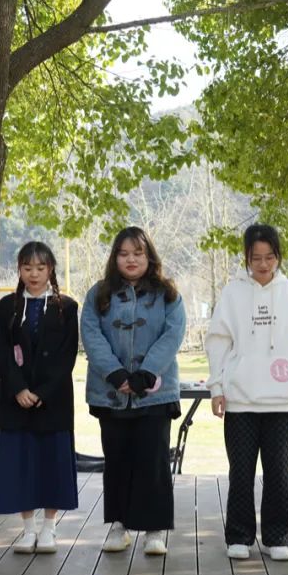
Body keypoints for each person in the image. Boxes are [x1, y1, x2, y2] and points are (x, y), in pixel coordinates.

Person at [205, 224, 288, 562]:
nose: (264, 264)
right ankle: (239, 536)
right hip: (240, 399)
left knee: (278, 471)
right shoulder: (232, 293)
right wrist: (216, 387)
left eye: (270, 257)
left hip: (281, 399)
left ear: (278, 257)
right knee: (241, 471)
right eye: (256, 258)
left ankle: (276, 536)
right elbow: (218, 341)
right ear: (246, 258)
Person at [81, 226, 185, 556]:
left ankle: (154, 531)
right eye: (124, 253)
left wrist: (145, 374)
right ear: (114, 258)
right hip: (110, 393)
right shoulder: (98, 294)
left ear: (149, 257)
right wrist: (114, 373)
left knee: (153, 461)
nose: (131, 259)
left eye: (138, 253)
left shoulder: (168, 294)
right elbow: (91, 334)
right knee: (117, 460)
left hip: (155, 392)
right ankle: (119, 526)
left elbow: (172, 335)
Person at [0, 241, 79, 554]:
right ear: (19, 270)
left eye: (41, 268)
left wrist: (43, 392)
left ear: (51, 269)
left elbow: (67, 356)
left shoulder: (67, 307)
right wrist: (18, 389)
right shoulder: (7, 307)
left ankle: (49, 528)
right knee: (20, 465)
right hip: (15, 401)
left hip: (53, 402)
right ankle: (28, 529)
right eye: (27, 268)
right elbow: (1, 351)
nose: (34, 274)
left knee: (52, 464)